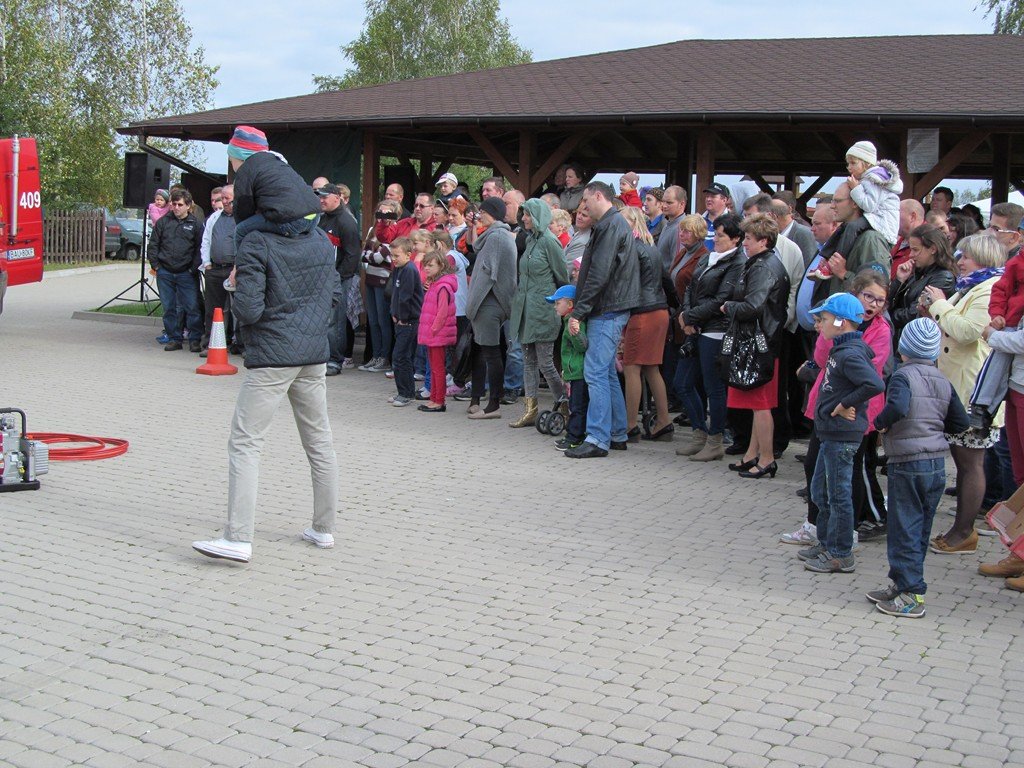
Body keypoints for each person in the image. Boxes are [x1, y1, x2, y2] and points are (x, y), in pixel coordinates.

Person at [191, 203, 339, 564]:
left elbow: (249, 310)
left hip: (273, 357)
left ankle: (238, 537)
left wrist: (232, 284)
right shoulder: (321, 240)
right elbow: (333, 298)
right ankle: (323, 528)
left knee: (245, 443)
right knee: (319, 441)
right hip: (313, 355)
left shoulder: (257, 242)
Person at [868, 318, 969, 617]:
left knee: (903, 528)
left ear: (903, 349)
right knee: (919, 527)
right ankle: (902, 583)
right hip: (936, 464)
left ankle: (912, 594)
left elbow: (897, 407)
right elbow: (960, 423)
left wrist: (880, 425)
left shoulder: (902, 376)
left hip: (908, 463)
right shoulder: (942, 379)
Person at [924, 233, 1007, 555]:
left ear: (983, 257)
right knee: (962, 460)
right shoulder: (972, 286)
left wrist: (941, 304)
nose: (959, 261)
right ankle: (960, 529)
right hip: (956, 385)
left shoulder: (988, 289)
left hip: (974, 391)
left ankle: (963, 532)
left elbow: (968, 332)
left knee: (971, 462)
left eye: (965, 256)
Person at [800, 293, 884, 574]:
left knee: (838, 495)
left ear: (840, 321)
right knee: (820, 491)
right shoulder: (841, 349)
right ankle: (826, 543)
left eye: (823, 319)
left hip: (842, 435)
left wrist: (845, 404)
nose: (819, 325)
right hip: (830, 433)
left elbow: (873, 384)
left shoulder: (850, 353)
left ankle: (841, 552)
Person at [564, 181, 641, 458]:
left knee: (595, 372)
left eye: (586, 200)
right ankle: (617, 432)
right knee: (605, 372)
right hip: (611, 307)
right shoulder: (612, 224)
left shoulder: (610, 226)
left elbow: (599, 273)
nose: (583, 206)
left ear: (598, 196)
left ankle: (597, 438)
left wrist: (579, 311)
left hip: (607, 308)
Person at [723, 213, 790, 478]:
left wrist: (728, 306)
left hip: (760, 342)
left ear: (763, 241)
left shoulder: (763, 266)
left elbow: (753, 306)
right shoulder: (764, 262)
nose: (744, 244)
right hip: (764, 340)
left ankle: (767, 458)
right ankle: (752, 454)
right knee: (756, 402)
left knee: (761, 404)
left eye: (748, 239)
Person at [675, 213, 744, 461]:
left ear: (735, 238)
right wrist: (685, 316)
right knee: (682, 382)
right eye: (715, 233)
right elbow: (691, 287)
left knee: (713, 387)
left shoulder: (737, 262)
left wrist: (691, 317)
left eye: (722, 235)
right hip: (695, 326)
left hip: (716, 329)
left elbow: (721, 299)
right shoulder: (708, 257)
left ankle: (715, 439)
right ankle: (699, 434)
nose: (716, 239)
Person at [508, 199, 569, 428]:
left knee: (545, 363)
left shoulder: (550, 242)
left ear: (538, 216)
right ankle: (530, 409)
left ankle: (564, 405)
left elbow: (562, 277)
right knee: (528, 362)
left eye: (528, 215)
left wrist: (559, 305)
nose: (523, 218)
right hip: (525, 310)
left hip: (543, 310)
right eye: (523, 214)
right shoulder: (530, 240)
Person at [620, 206, 675, 442]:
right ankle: (664, 421)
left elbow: (627, 284)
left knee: (632, 368)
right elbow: (666, 279)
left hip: (642, 312)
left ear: (633, 223)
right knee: (652, 369)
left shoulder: (632, 248)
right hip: (659, 310)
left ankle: (630, 425)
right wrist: (674, 306)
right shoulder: (651, 247)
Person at [464, 196, 517, 419]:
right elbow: (475, 248)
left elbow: (488, 274)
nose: (480, 215)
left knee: (491, 353)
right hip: (488, 303)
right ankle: (476, 398)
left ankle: (493, 405)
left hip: (489, 303)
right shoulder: (494, 235)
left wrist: (473, 303)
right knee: (480, 351)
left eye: (483, 212)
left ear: (492, 212)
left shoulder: (497, 237)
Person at [229, 126, 321, 248]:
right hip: (314, 217)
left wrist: (245, 222)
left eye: (231, 159)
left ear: (239, 155)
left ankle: (238, 265)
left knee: (241, 230)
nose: (231, 163)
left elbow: (243, 208)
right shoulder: (279, 163)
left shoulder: (246, 169)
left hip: (292, 220)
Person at [149, 188, 204, 352]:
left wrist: (192, 269)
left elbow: (200, 249)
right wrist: (156, 266)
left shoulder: (195, 224)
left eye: (180, 204)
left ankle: (195, 339)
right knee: (169, 308)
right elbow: (153, 245)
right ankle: (174, 338)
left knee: (192, 307)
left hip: (186, 273)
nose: (176, 207)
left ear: (188, 205)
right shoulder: (163, 222)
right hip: (165, 272)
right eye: (174, 204)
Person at [317, 183, 361, 375]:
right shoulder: (322, 219)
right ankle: (323, 356)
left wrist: (339, 278)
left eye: (325, 197)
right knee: (323, 319)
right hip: (322, 277)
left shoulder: (346, 221)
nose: (321, 200)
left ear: (337, 197)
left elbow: (352, 255)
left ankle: (335, 360)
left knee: (335, 319)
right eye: (320, 196)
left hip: (339, 279)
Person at [889, 224, 957, 346]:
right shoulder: (917, 272)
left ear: (932, 249)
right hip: (901, 341)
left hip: (916, 344)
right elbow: (890, 302)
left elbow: (913, 314)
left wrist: (886, 316)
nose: (911, 255)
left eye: (916, 250)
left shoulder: (943, 278)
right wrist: (899, 281)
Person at [359, 199, 400, 374]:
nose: (383, 216)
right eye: (380, 212)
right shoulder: (372, 229)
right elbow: (365, 254)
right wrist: (376, 253)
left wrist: (375, 254)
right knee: (373, 321)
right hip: (370, 279)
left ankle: (384, 357)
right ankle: (375, 355)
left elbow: (381, 256)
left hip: (384, 281)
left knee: (384, 321)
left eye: (387, 213)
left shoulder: (395, 230)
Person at [198, 184, 237, 354]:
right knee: (213, 309)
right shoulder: (214, 218)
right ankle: (210, 344)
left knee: (240, 309)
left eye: (227, 198)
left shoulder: (244, 218)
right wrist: (207, 263)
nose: (224, 202)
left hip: (236, 270)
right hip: (215, 269)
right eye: (223, 198)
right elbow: (206, 240)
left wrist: (238, 267)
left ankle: (240, 344)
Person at [548, 285, 588, 451]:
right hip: (573, 372)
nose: (555, 306)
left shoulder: (574, 322)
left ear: (570, 304)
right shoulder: (567, 321)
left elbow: (581, 347)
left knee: (578, 407)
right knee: (574, 405)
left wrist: (577, 332)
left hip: (579, 372)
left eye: (558, 303)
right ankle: (574, 435)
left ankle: (575, 438)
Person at [417, 251, 457, 412]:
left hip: (437, 334)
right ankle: (434, 398)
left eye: (430, 265)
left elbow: (442, 312)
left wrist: (433, 330)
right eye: (425, 265)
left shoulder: (443, 286)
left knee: (438, 368)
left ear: (441, 266)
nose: (426, 268)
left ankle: (439, 400)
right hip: (433, 333)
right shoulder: (434, 284)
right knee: (434, 367)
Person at [845, 140, 902, 246]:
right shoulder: (870, 178)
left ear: (867, 163)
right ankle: (826, 255)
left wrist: (855, 188)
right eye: (848, 163)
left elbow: (869, 205)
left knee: (852, 227)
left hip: (882, 221)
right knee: (845, 227)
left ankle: (840, 257)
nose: (849, 167)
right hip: (878, 218)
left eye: (853, 163)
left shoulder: (873, 179)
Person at [388, 237, 423, 407]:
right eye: (392, 256)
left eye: (396, 255)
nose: (393, 259)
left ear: (408, 254)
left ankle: (406, 393)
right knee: (402, 357)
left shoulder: (409, 270)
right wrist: (393, 313)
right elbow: (395, 294)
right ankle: (404, 391)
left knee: (400, 357)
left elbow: (406, 297)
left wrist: (402, 317)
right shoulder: (399, 269)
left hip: (408, 322)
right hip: (400, 320)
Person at [656, 186, 689, 272]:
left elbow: (677, 264)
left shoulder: (681, 228)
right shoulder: (668, 224)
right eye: (663, 201)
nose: (664, 205)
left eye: (669, 203)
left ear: (682, 204)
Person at [701, 182, 732, 251]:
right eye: (707, 196)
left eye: (712, 196)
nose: (708, 199)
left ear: (724, 200)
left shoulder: (733, 222)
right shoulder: (698, 221)